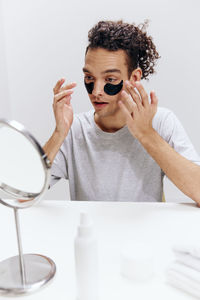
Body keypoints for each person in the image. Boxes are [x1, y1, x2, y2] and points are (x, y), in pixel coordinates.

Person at [43, 20, 200, 203]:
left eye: (110, 79)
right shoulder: (73, 130)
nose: (96, 91)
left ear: (134, 78)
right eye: (89, 78)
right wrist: (59, 133)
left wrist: (146, 134)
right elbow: (22, 193)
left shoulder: (161, 122)